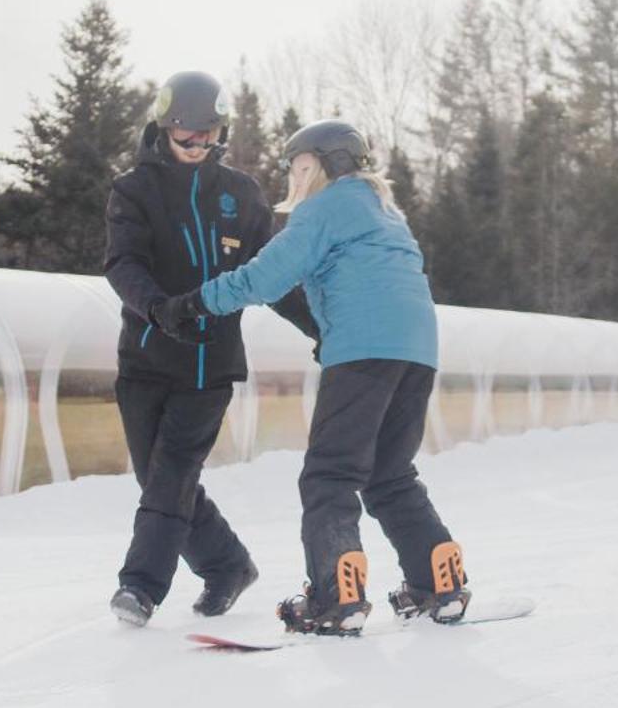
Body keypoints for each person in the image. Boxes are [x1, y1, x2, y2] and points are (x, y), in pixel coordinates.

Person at [155, 120, 469, 636]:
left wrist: (195, 304)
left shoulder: (327, 207)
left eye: (300, 167)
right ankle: (439, 582)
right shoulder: (385, 214)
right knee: (390, 474)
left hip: (364, 350)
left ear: (328, 165)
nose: (294, 180)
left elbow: (266, 276)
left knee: (330, 475)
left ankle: (335, 597)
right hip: (417, 352)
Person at [101, 71, 320, 626]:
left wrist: (323, 328)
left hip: (209, 365)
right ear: (164, 127)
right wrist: (159, 310)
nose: (199, 145)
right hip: (147, 357)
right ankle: (228, 565)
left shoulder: (240, 195)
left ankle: (141, 587)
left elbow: (271, 277)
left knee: (173, 469)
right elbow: (124, 264)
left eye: (210, 135)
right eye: (187, 135)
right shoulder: (134, 191)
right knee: (159, 480)